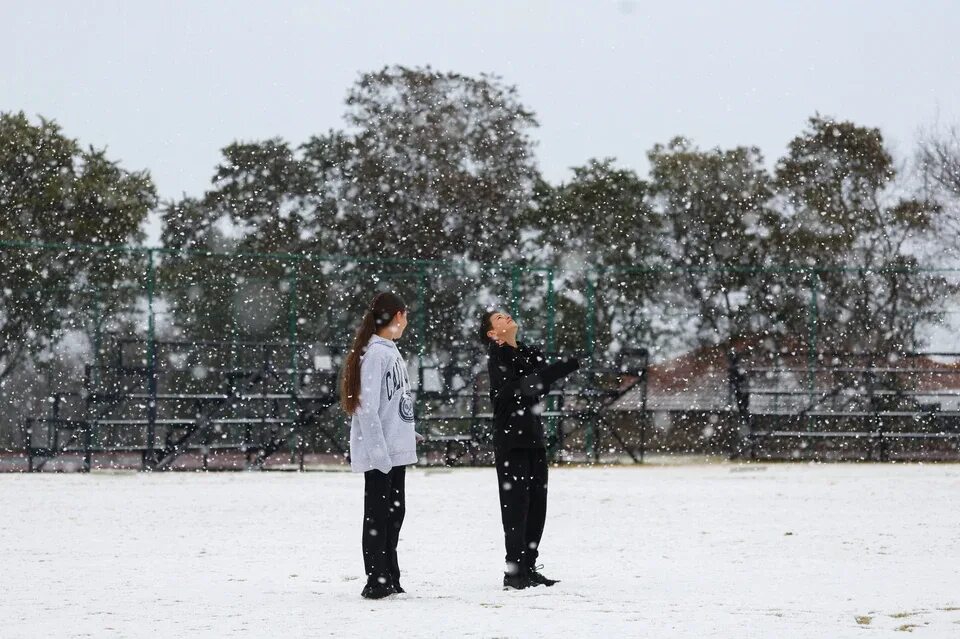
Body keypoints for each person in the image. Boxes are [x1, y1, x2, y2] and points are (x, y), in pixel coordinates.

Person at [480, 310, 580, 590]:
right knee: (516, 507)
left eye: (507, 314)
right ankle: (514, 572)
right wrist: (559, 369)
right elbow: (522, 387)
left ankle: (529, 565)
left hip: (534, 439)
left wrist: (550, 372)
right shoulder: (497, 357)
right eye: (499, 318)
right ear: (491, 333)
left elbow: (539, 386)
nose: (507, 317)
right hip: (511, 442)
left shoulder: (527, 352)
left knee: (537, 505)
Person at [340, 292, 420, 599]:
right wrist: (379, 455)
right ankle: (376, 579)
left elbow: (392, 403)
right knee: (378, 515)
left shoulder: (391, 351)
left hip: (394, 451)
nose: (407, 321)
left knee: (394, 514)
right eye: (406, 316)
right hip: (381, 455)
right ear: (398, 316)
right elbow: (366, 407)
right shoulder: (375, 354)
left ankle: (390, 575)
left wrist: (407, 432)